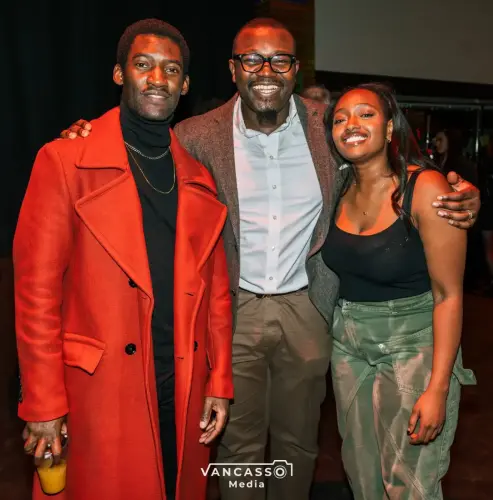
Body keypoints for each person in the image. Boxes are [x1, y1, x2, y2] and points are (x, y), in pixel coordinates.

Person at [59, 18, 481, 500]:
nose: (266, 70)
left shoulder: (329, 125)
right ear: (233, 69)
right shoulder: (195, 135)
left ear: (295, 70)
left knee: (298, 443)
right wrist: (86, 134)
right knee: (235, 445)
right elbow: (137, 147)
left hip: (309, 309)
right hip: (233, 310)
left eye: (280, 60)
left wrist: (458, 191)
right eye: (252, 59)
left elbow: (384, 164)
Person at [14, 19, 233, 500]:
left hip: (181, 380)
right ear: (119, 74)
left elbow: (217, 295)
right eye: (143, 65)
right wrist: (43, 402)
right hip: (99, 387)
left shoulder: (198, 178)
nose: (158, 79)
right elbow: (36, 296)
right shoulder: (65, 161)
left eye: (171, 70)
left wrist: (219, 379)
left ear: (185, 85)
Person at [318, 83, 476, 499]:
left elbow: (449, 296)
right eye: (340, 118)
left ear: (389, 128)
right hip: (348, 346)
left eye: (366, 114)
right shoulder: (336, 187)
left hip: (413, 342)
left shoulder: (425, 188)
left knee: (410, 483)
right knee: (362, 476)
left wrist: (438, 387)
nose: (351, 124)